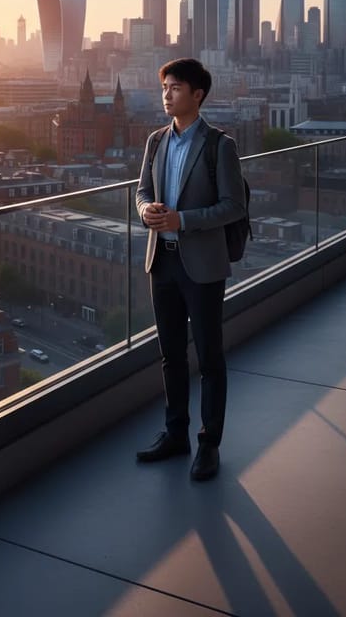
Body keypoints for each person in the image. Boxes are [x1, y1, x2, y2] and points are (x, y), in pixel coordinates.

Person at [135, 58, 246, 481]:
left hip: (202, 266)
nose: (167, 94)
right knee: (171, 355)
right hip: (161, 262)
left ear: (197, 95)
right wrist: (146, 210)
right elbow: (142, 191)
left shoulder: (220, 145)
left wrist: (183, 220)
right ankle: (175, 433)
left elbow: (234, 206)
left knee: (209, 358)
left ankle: (209, 444)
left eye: (176, 88)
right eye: (164, 87)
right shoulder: (156, 141)